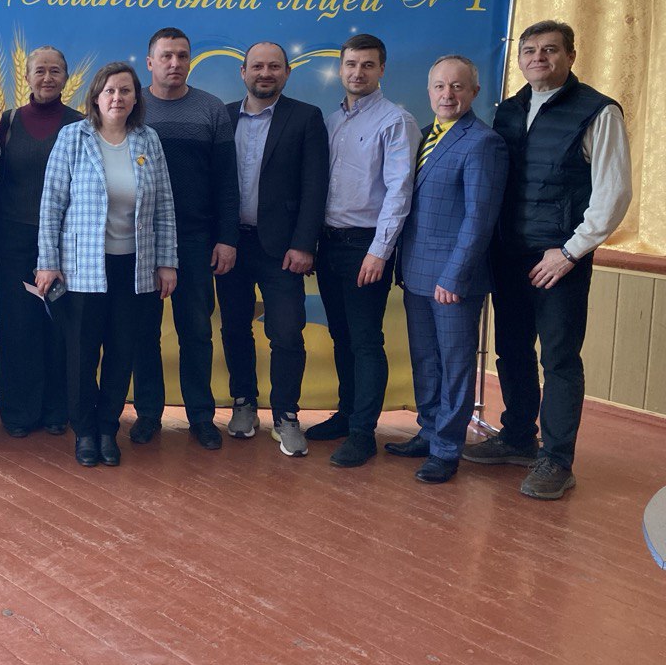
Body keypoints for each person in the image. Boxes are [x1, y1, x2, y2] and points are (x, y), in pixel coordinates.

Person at [464, 21, 631, 500]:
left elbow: (614, 193)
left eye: (550, 49)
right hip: (508, 255)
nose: (538, 57)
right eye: (530, 50)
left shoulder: (597, 111)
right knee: (512, 351)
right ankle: (518, 436)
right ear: (519, 60)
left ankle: (557, 460)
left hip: (560, 259)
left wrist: (571, 251)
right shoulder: (509, 110)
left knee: (558, 359)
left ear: (571, 56)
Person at [37, 62, 178, 468]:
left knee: (122, 352)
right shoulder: (73, 137)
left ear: (136, 98)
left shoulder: (148, 140)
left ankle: (106, 429)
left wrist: (167, 262)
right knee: (82, 354)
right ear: (96, 97)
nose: (117, 98)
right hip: (83, 268)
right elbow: (51, 205)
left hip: (135, 267)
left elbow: (164, 205)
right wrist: (48, 263)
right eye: (110, 91)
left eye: (125, 91)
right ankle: (84, 431)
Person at [389, 56, 507, 484]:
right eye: (440, 86)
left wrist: (454, 276)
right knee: (425, 358)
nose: (447, 94)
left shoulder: (484, 143)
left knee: (455, 363)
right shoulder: (424, 135)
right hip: (416, 271)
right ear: (429, 91)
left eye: (457, 86)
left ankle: (446, 448)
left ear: (474, 92)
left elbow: (479, 219)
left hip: (453, 280)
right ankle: (428, 430)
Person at [307, 33, 420, 467]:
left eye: (368, 65)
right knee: (341, 336)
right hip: (330, 243)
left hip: (365, 246)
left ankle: (362, 433)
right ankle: (347, 413)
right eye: (351, 64)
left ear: (382, 70)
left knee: (366, 340)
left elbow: (399, 191)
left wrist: (379, 251)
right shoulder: (332, 121)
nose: (358, 72)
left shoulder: (395, 121)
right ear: (340, 68)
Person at [216, 41, 328, 457]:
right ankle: (243, 403)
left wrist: (304, 244)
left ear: (287, 72)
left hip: (283, 250)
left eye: (274, 66)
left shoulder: (306, 117)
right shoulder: (223, 116)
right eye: (258, 66)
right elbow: (214, 184)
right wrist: (220, 237)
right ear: (243, 72)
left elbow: (315, 186)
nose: (266, 73)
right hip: (231, 244)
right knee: (234, 327)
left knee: (286, 332)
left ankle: (286, 415)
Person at [134, 28, 238, 450]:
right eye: (166, 56)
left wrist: (227, 238)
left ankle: (201, 416)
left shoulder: (211, 110)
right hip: (140, 241)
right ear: (150, 62)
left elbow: (227, 182)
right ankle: (147, 414)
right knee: (143, 332)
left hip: (196, 240)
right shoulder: (131, 106)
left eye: (182, 55)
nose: (175, 63)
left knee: (196, 331)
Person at [0, 45, 83, 438]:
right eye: (40, 71)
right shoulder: (8, 122)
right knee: (18, 326)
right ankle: (19, 412)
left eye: (55, 71)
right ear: (27, 77)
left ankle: (56, 410)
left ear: (66, 77)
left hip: (65, 245)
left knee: (60, 326)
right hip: (14, 241)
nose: (47, 78)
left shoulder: (81, 124)